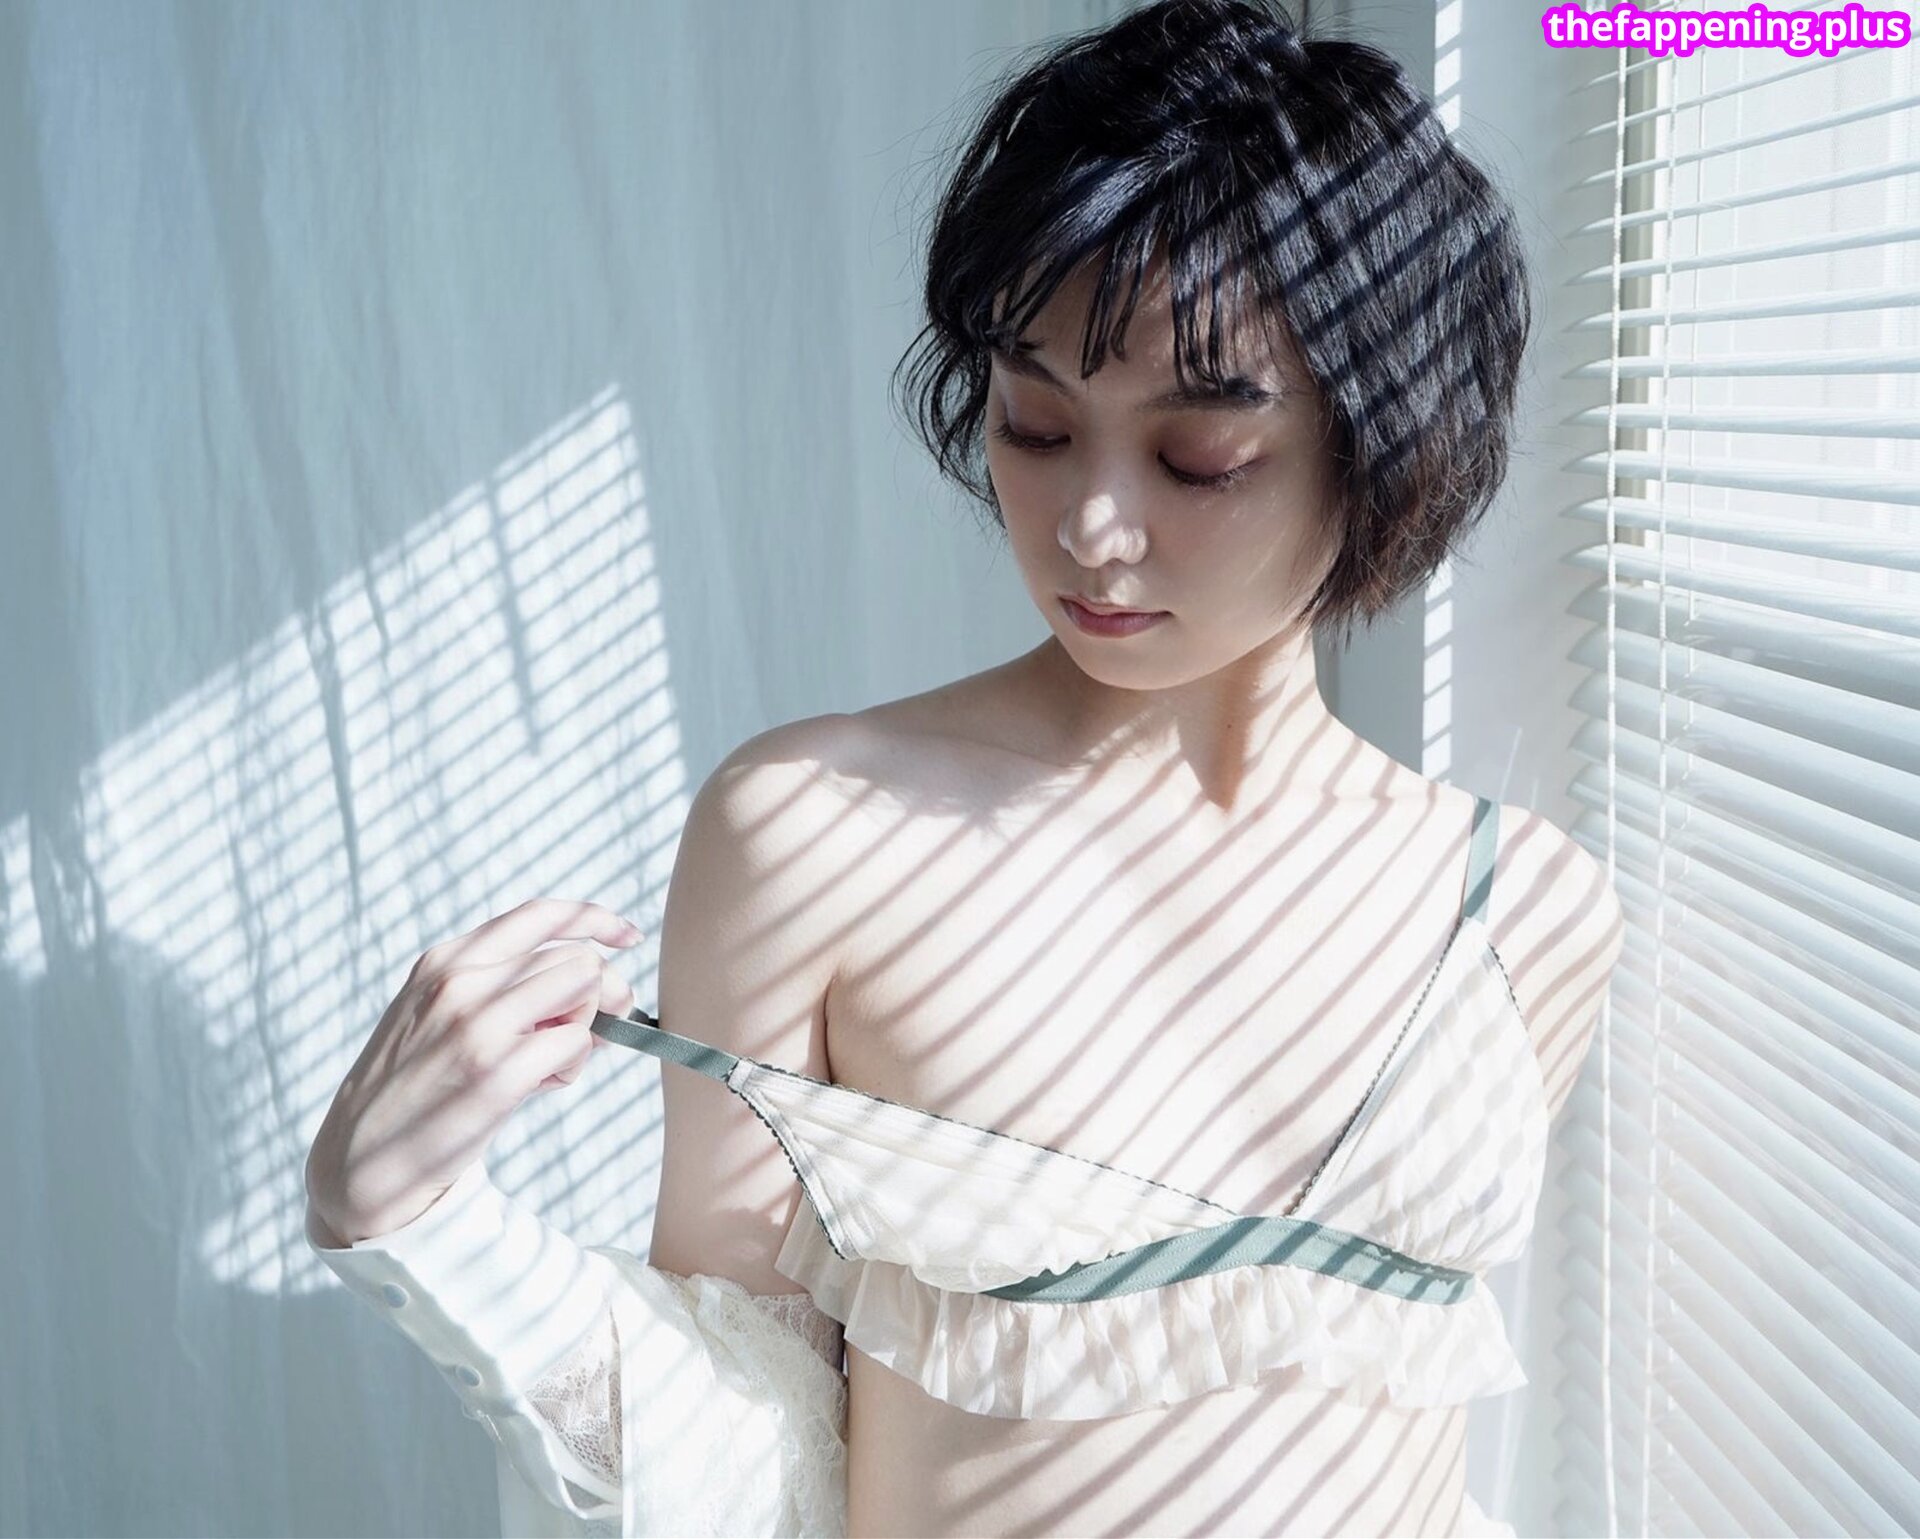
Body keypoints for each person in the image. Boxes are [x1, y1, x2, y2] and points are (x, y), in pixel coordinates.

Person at [304, 0, 1626, 1534]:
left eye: (1198, 457)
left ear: (1389, 439)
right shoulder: (816, 832)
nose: (1093, 530)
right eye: (1035, 427)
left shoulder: (1522, 912)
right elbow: (740, 1438)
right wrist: (413, 1218)